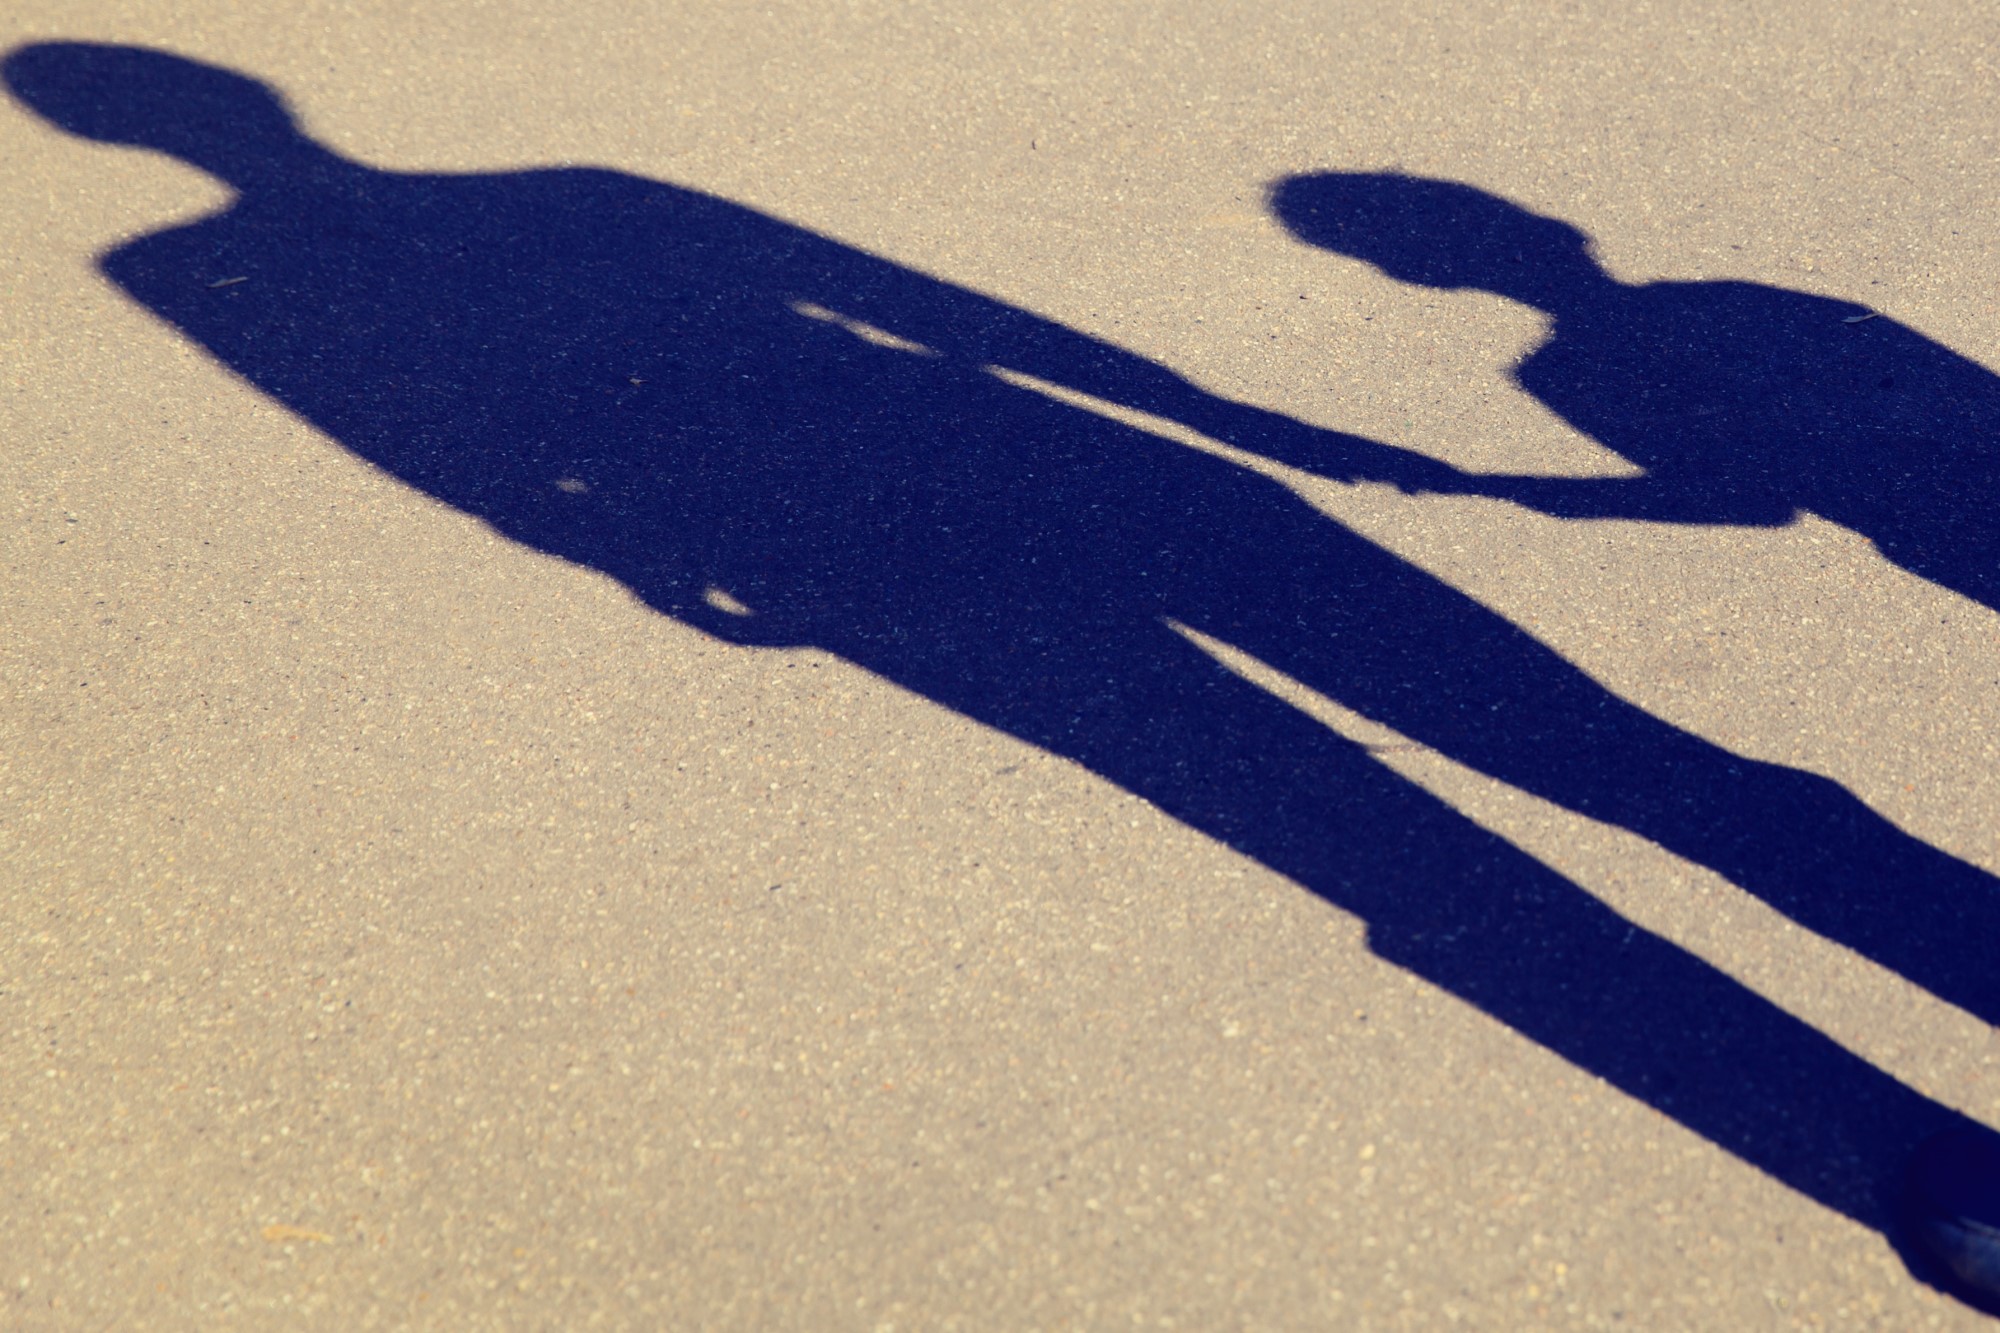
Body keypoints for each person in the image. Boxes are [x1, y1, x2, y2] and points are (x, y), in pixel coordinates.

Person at [8, 42, 1994, 1284]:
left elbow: (905, 311)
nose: (194, 126)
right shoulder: (254, 254)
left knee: (1502, 819)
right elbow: (465, 431)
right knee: (1557, 792)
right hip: (978, 509)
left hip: (982, 509)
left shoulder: (426, 225)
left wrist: (627, 552)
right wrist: (605, 545)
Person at [1272, 169, 2000, 1307]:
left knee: (1708, 806)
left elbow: (1746, 497)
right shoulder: (1727, 309)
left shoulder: (1606, 351)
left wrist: (1521, 495)